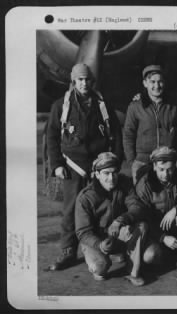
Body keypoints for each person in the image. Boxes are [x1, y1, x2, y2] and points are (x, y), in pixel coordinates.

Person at [47, 63, 123, 270]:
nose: (84, 83)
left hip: (100, 166)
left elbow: (116, 133)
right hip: (73, 166)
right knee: (71, 209)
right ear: (73, 82)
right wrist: (57, 165)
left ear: (92, 81)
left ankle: (107, 246)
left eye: (87, 79)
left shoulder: (102, 104)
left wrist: (114, 161)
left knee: (105, 206)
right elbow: (52, 136)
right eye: (80, 79)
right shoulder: (61, 105)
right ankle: (68, 250)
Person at [75, 152, 160, 286]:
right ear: (97, 174)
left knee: (153, 254)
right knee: (100, 268)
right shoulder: (85, 197)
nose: (111, 178)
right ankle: (104, 258)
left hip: (120, 233)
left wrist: (120, 220)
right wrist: (99, 244)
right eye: (106, 173)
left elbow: (137, 207)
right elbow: (83, 232)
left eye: (114, 172)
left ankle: (132, 269)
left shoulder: (125, 183)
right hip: (97, 240)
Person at [125, 146, 177, 278]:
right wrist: (162, 237)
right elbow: (142, 218)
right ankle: (167, 255)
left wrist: (176, 210)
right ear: (154, 166)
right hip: (154, 229)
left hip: (176, 224)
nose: (166, 174)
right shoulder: (145, 185)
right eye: (161, 169)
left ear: (175, 167)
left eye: (170, 170)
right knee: (150, 256)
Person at [123, 65, 177, 184]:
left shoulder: (176, 106)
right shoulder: (135, 107)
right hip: (143, 162)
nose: (157, 86)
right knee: (142, 197)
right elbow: (128, 135)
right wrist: (131, 161)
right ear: (145, 83)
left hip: (169, 162)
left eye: (160, 81)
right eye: (152, 82)